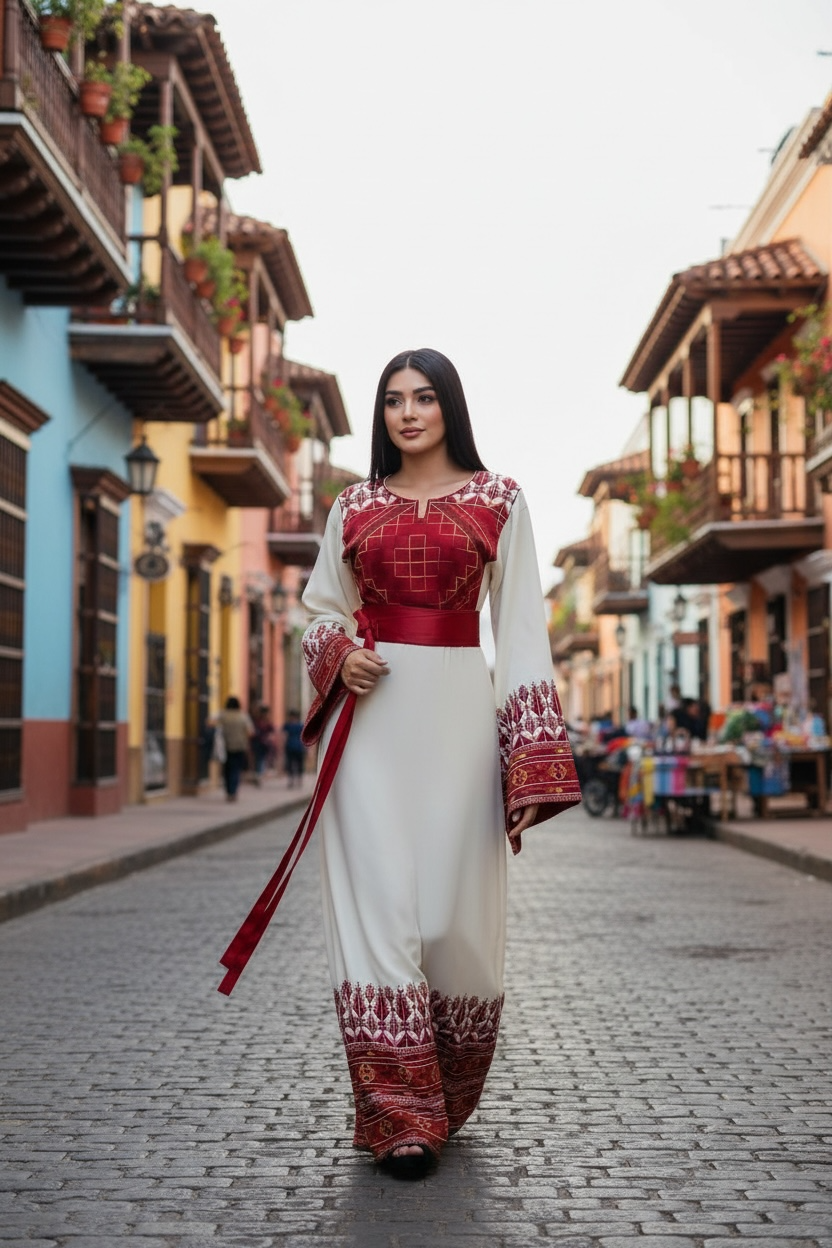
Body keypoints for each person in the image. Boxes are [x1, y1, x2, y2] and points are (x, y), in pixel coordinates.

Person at [288, 347, 581, 1177]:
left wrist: (530, 763)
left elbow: (522, 632)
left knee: (454, 927)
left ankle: (444, 1093)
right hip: (369, 733)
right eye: (391, 401)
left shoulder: (501, 501)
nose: (407, 413)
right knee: (378, 915)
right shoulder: (352, 505)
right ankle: (399, 1118)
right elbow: (317, 610)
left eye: (423, 398)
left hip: (459, 722)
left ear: (450, 406)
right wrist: (338, 654)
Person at [216, 696, 254, 801]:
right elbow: (250, 732)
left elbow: (212, 724)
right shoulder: (243, 716)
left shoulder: (223, 715)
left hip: (226, 747)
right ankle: (233, 792)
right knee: (236, 770)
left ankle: (228, 791)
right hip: (240, 746)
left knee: (227, 770)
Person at [250, 705, 276, 784]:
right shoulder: (257, 722)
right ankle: (258, 775)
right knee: (259, 759)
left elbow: (272, 732)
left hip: (263, 744)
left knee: (260, 759)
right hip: (258, 743)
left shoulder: (265, 723)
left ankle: (258, 775)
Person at [281, 709, 306, 787]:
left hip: (291, 747)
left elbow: (284, 736)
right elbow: (304, 737)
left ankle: (292, 781)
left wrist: (282, 747)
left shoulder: (287, 725)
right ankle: (298, 781)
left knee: (291, 764)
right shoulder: (300, 725)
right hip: (298, 747)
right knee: (299, 764)